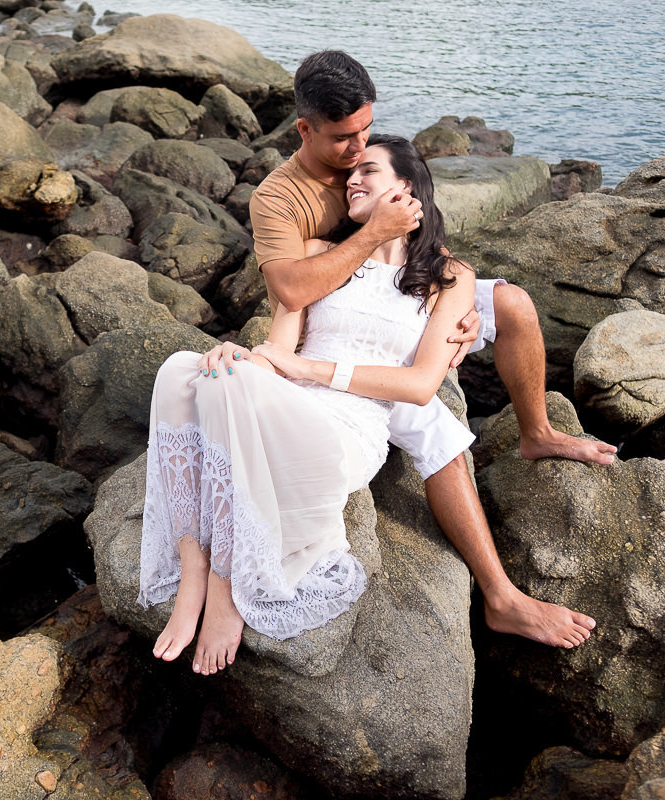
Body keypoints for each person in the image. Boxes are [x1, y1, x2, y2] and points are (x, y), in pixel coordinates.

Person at [246, 51, 611, 647]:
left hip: (405, 287)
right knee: (427, 417)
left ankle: (537, 431)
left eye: (367, 132)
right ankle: (501, 595)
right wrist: (374, 237)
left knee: (513, 303)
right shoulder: (281, 198)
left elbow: (420, 230)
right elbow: (290, 288)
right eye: (344, 141)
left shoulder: (371, 159)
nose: (357, 153)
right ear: (304, 130)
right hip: (341, 299)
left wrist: (451, 315)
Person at [140, 136, 483, 675]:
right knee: (186, 368)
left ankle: (228, 585)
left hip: (346, 429)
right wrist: (242, 357)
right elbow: (279, 349)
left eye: (369, 171)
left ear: (407, 189)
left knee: (224, 382)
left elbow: (419, 385)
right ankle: (193, 570)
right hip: (288, 402)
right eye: (352, 173)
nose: (353, 179)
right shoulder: (321, 254)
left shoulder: (450, 277)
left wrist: (313, 370)